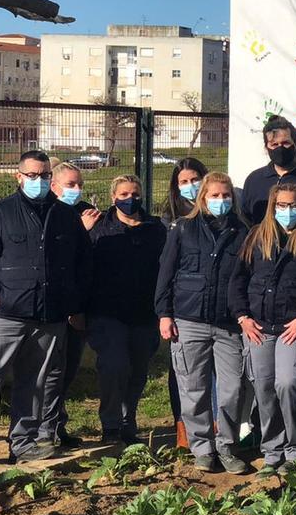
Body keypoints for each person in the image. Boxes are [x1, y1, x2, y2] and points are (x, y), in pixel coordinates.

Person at [0, 151, 91, 463]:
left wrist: (70, 302)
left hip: (49, 318)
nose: (39, 181)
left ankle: (24, 443)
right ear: (19, 177)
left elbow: (83, 264)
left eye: (44, 175)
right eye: (32, 175)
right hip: (3, 317)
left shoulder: (65, 216)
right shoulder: (0, 213)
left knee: (34, 384)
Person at [229, 183, 296, 474]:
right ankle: (272, 452)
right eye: (282, 205)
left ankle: (295, 449)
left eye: (293, 205)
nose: (288, 211)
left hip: (294, 328)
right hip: (259, 327)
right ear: (273, 207)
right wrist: (242, 317)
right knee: (264, 388)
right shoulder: (256, 237)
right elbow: (238, 281)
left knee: (288, 382)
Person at [155, 172, 251, 475]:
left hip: (228, 324)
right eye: (214, 195)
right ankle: (202, 448)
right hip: (188, 319)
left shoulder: (244, 232)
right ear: (203, 198)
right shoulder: (183, 229)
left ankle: (226, 445)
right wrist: (164, 314)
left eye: (226, 196)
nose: (220, 201)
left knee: (233, 389)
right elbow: (166, 274)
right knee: (193, 387)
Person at [85, 174, 167, 444]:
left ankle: (127, 419)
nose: (130, 199)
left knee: (138, 370)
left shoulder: (156, 229)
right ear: (113, 197)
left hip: (144, 312)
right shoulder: (99, 228)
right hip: (107, 313)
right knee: (114, 365)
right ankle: (110, 424)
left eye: (135, 194)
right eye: (123, 195)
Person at [46, 161, 101, 448]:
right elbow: (59, 259)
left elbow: (86, 263)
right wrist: (82, 230)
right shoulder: (50, 214)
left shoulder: (81, 212)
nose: (77, 190)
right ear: (54, 186)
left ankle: (57, 425)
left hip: (79, 307)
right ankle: (43, 429)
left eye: (79, 185)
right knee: (51, 373)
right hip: (55, 310)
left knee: (67, 372)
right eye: (70, 185)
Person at [158, 156, 208, 451]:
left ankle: (212, 427)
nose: (191, 186)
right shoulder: (170, 219)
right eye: (184, 182)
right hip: (182, 305)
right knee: (182, 371)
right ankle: (183, 429)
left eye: (195, 179)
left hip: (215, 307)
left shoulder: (221, 212)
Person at [160, 157, 209, 226]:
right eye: (184, 182)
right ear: (177, 185)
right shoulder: (172, 214)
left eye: (194, 180)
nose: (190, 185)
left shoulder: (215, 207)